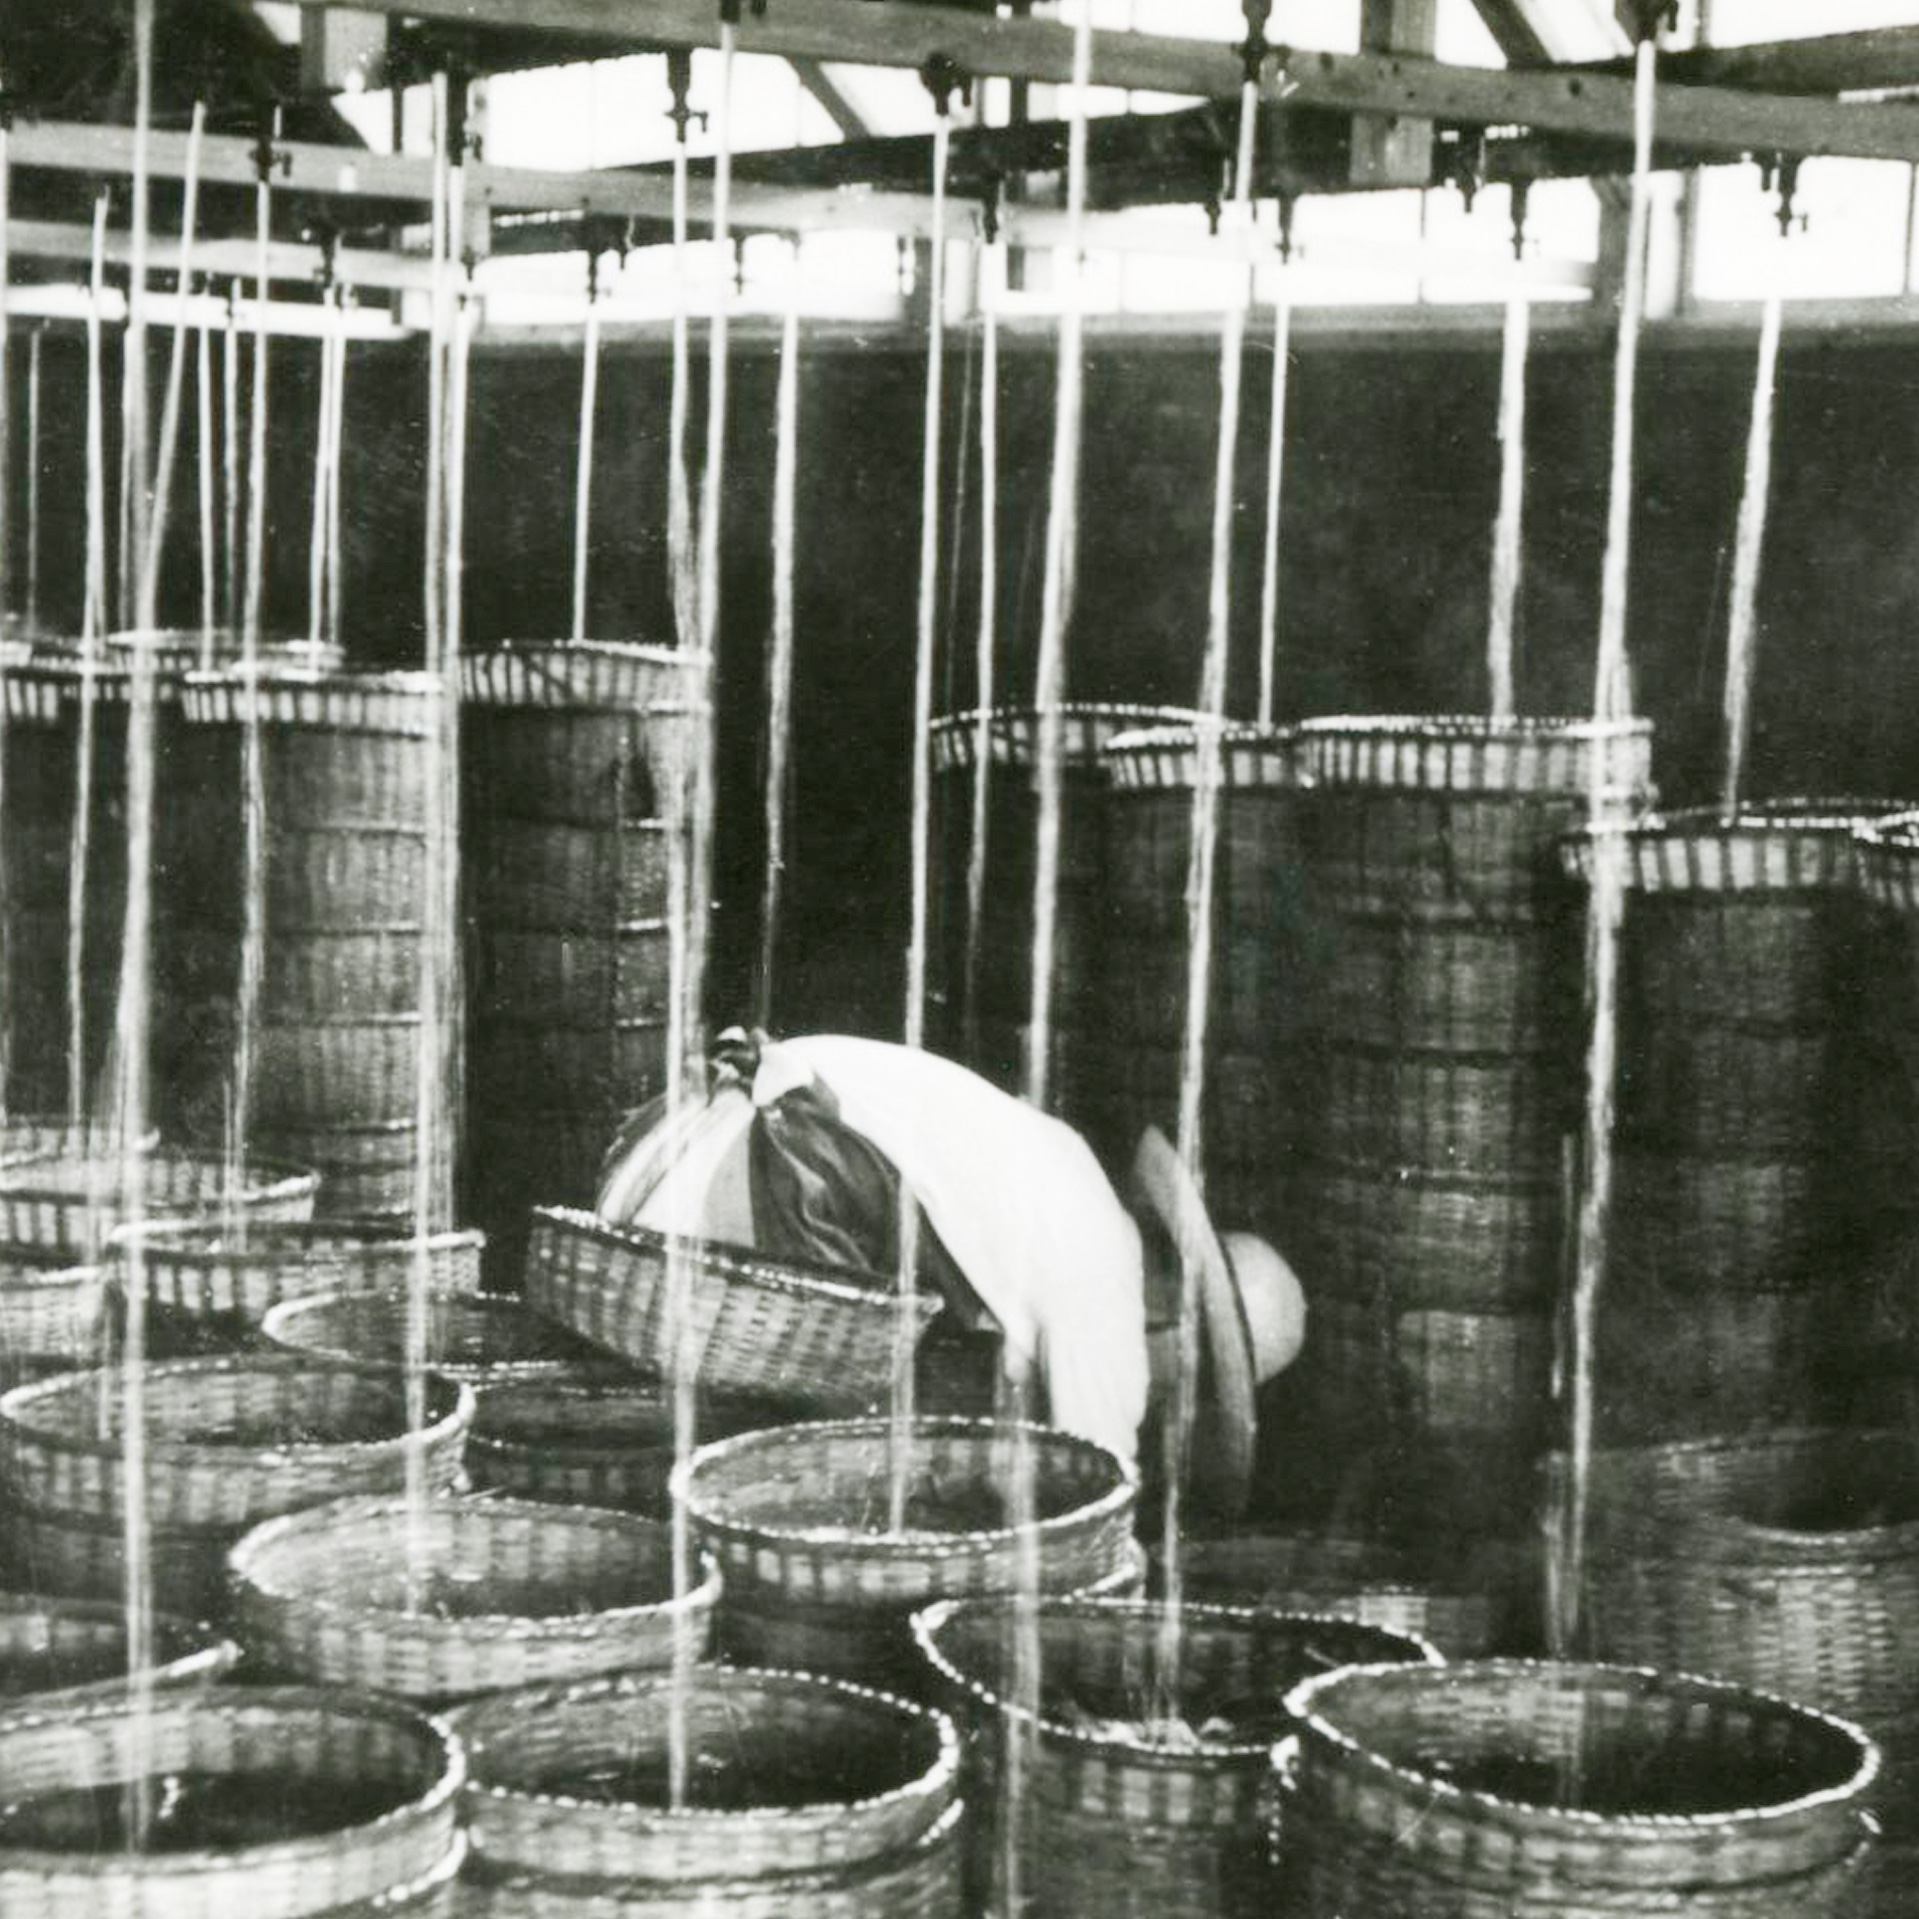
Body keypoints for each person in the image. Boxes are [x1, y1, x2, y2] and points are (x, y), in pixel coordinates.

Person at [597, 1029, 1306, 1513]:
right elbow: (1094, 1492)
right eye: (1195, 1379)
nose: (1174, 1396)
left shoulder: (1072, 1165)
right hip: (713, 1201)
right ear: (1178, 1319)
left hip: (664, 1145)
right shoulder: (1102, 1300)